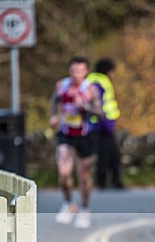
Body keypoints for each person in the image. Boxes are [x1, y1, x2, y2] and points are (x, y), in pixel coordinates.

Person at [49, 56, 102, 229]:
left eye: (80, 71)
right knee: (64, 172)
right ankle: (68, 203)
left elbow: (99, 112)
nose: (77, 74)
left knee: (84, 175)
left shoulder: (90, 89)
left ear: (86, 72)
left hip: (85, 136)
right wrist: (53, 116)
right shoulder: (61, 86)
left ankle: (85, 208)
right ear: (69, 71)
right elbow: (54, 101)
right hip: (66, 134)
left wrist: (85, 106)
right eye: (74, 71)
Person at [87, 58, 125, 190]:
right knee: (107, 154)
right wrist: (105, 122)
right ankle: (107, 182)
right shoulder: (100, 81)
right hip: (102, 124)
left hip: (99, 123)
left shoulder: (92, 78)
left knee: (108, 154)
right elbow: (98, 102)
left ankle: (111, 181)